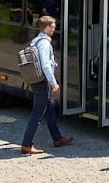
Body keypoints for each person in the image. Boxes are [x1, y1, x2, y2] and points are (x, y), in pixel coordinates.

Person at [20, 16, 74, 154]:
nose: (54, 30)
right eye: (53, 27)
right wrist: (53, 83)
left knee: (50, 108)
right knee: (38, 113)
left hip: (38, 80)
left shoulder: (36, 40)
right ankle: (26, 145)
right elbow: (45, 65)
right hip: (42, 82)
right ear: (47, 28)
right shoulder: (44, 43)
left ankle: (57, 139)